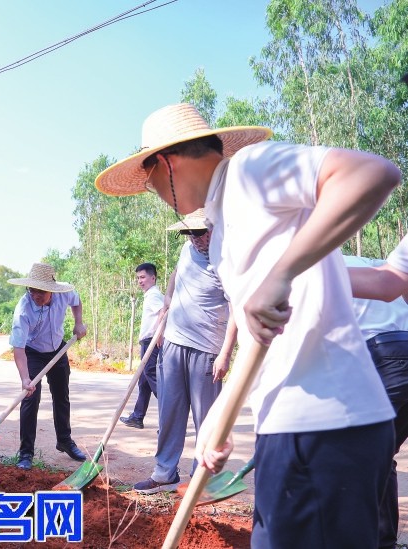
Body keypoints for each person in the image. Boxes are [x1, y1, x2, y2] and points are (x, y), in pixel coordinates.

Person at [94, 103, 400, 547]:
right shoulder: (222, 230)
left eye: (150, 180)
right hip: (288, 423)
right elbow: (261, 332)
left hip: (324, 425)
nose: (153, 191)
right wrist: (220, 414)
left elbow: (372, 174)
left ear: (166, 163)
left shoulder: (249, 171)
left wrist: (282, 273)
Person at [134, 210, 236, 494]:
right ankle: (164, 473)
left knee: (206, 419)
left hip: (207, 348)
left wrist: (226, 353)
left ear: (214, 230)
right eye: (189, 233)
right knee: (169, 412)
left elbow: (237, 309)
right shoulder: (186, 249)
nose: (194, 239)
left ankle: (200, 480)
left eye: (199, 233)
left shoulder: (228, 260)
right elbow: (176, 276)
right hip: (174, 343)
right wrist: (167, 303)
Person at [344, 254, 408, 549]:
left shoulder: (322, 267)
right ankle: (383, 541)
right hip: (401, 347)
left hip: (386, 357)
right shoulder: (376, 262)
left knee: (361, 453)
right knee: (383, 452)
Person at [7, 262, 88, 470]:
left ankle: (64, 440)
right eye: (32, 290)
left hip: (58, 349)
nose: (35, 295)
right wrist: (25, 378)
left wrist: (78, 322)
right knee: (30, 398)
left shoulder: (63, 293)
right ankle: (26, 452)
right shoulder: (23, 309)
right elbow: (18, 349)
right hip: (33, 352)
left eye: (40, 291)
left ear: (51, 289)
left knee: (62, 396)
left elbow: (77, 301)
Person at [120, 262, 165, 430]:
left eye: (143, 277)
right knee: (144, 382)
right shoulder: (150, 295)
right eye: (138, 278)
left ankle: (169, 420)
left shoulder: (154, 295)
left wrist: (159, 333)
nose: (140, 281)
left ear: (153, 278)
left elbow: (164, 312)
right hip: (148, 342)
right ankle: (137, 417)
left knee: (153, 379)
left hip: (152, 342)